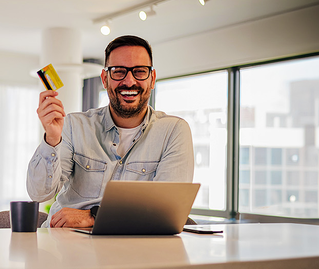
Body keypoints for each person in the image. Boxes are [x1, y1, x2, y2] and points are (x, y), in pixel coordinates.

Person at [27, 35, 194, 228]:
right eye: (119, 72)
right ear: (105, 79)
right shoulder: (74, 125)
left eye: (140, 71)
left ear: (152, 78)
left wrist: (93, 216)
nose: (129, 81)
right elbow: (39, 194)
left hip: (131, 249)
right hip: (65, 245)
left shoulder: (173, 132)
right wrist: (52, 139)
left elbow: (168, 210)